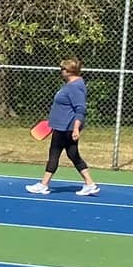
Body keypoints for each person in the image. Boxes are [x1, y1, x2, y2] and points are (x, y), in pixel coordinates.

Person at [28, 58, 99, 196]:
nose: (60, 71)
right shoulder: (70, 85)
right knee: (73, 154)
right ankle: (90, 184)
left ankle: (43, 185)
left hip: (66, 128)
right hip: (61, 126)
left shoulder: (75, 87)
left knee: (54, 153)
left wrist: (76, 128)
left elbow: (80, 109)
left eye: (63, 69)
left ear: (70, 71)